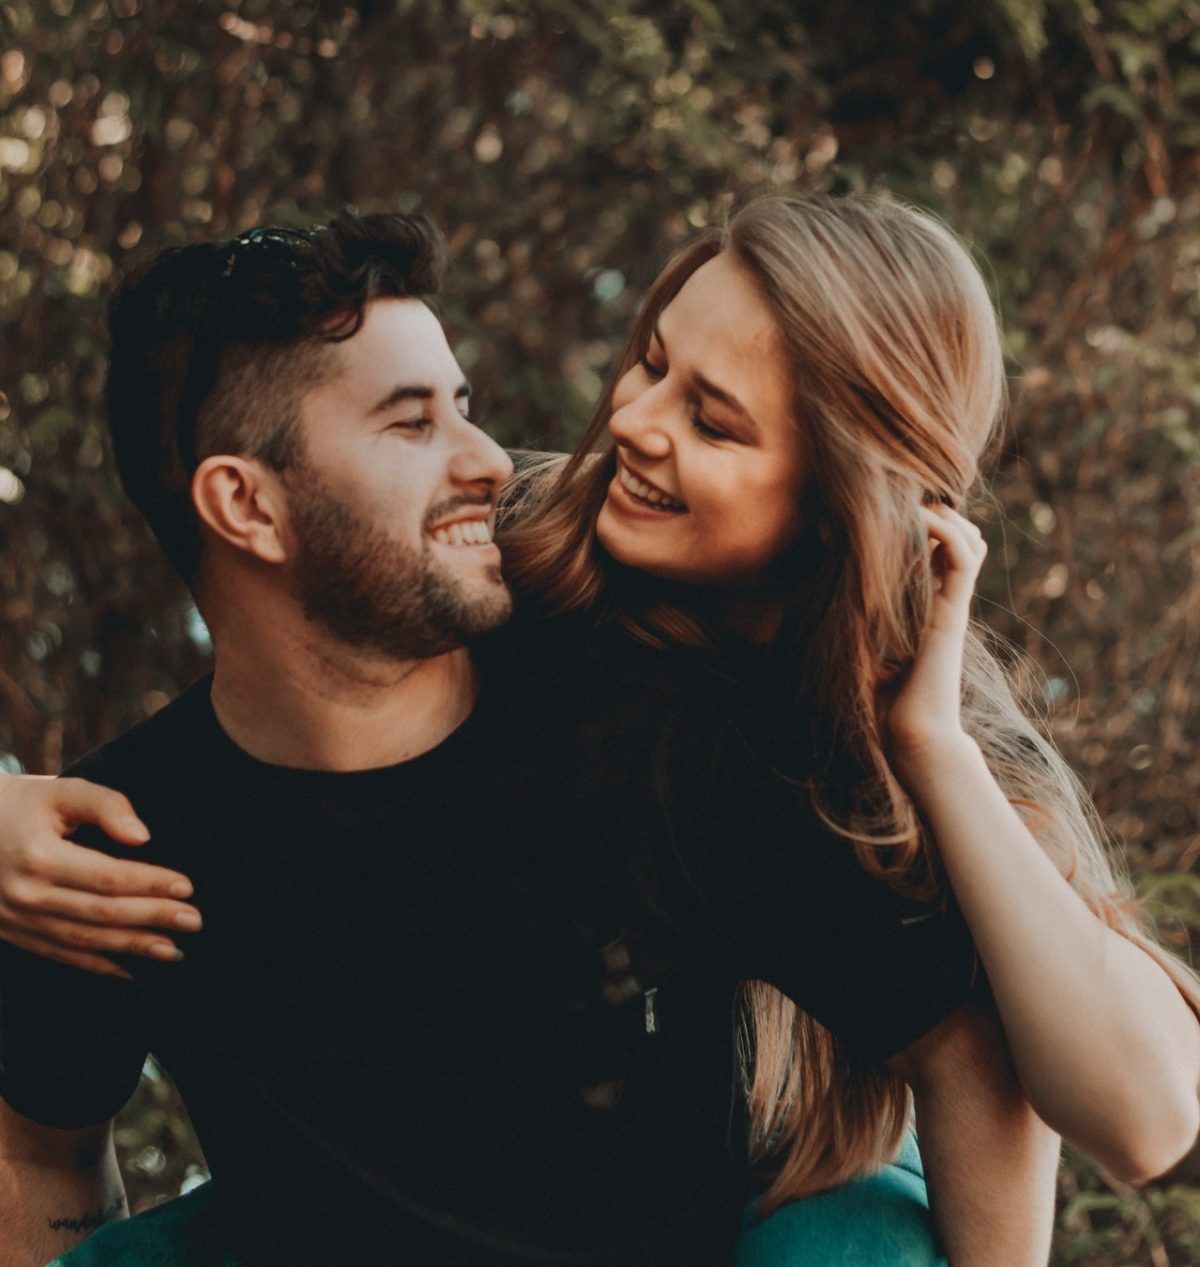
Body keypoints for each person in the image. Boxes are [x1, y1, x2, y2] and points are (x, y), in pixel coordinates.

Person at [0, 196, 1196, 1263]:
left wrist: (933, 743)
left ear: (835, 498)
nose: (625, 422)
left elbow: (1106, 1103)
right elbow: (43, 1150)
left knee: (855, 1244)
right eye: (653, 362)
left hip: (747, 1196)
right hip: (373, 1206)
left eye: (716, 421)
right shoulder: (513, 556)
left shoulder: (743, 732)